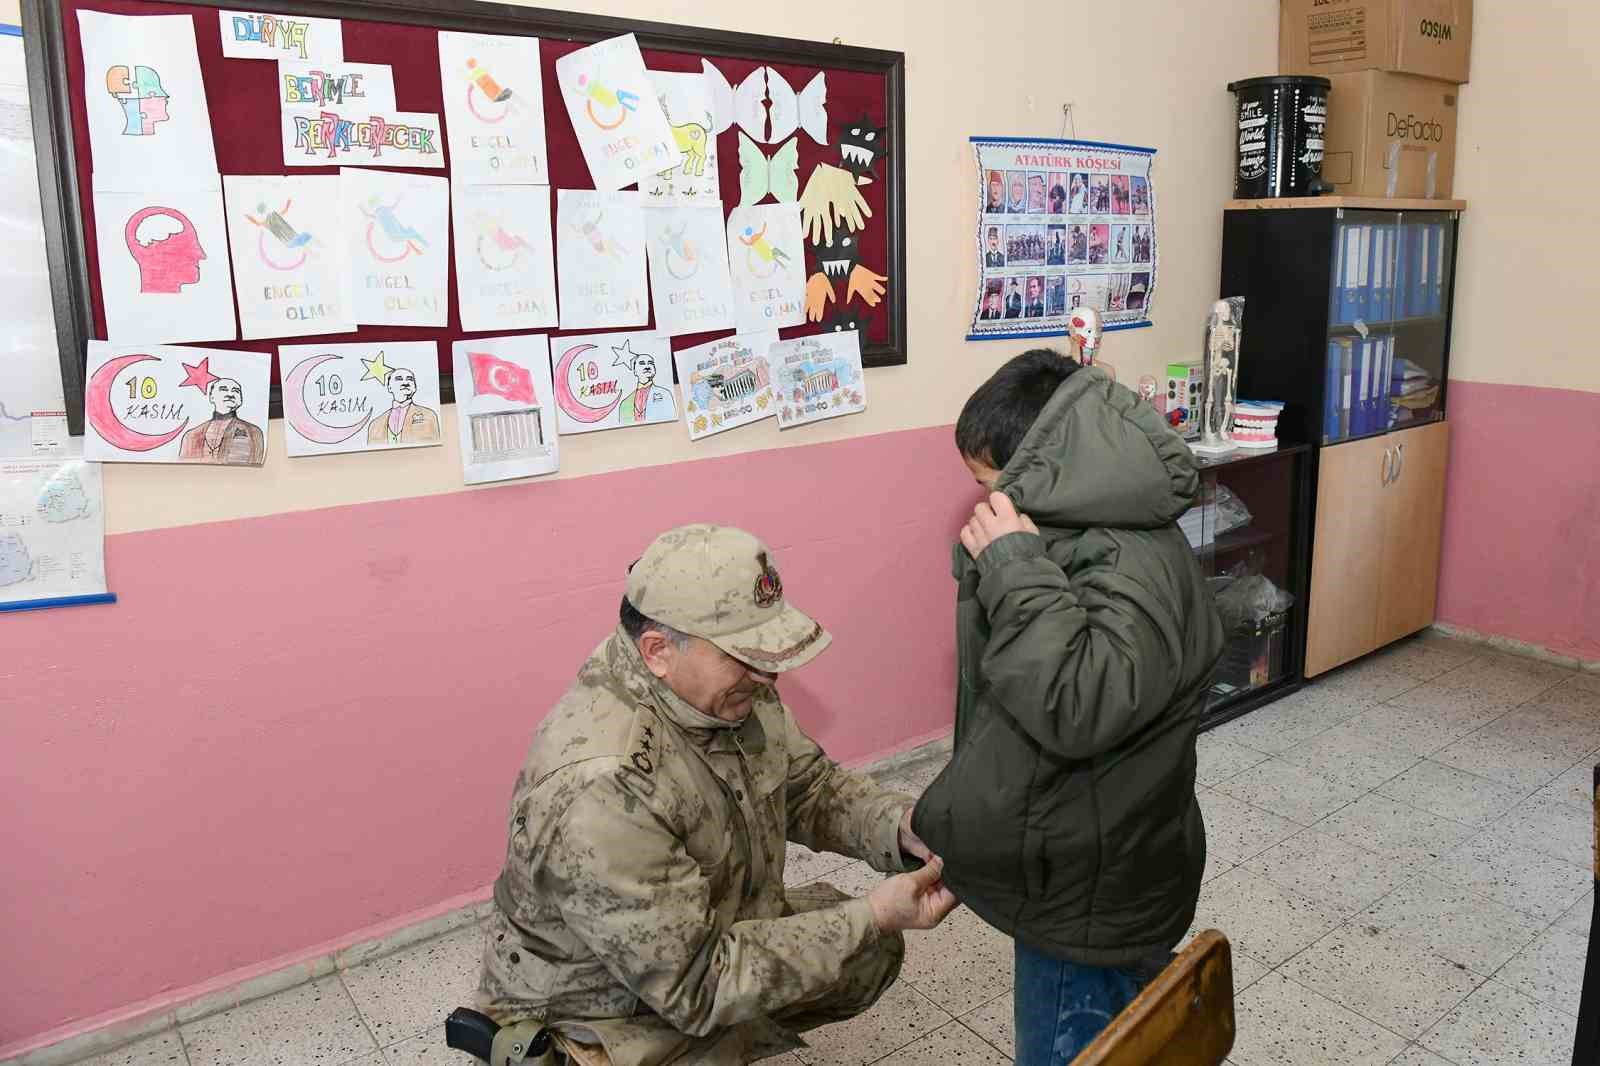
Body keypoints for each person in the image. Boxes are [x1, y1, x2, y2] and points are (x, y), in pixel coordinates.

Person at [479, 525, 959, 1066]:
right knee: (841, 944)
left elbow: (809, 788)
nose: (768, 675)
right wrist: (871, 914)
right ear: (658, 650)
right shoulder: (605, 784)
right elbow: (696, 984)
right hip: (600, 1002)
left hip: (697, 938)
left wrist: (903, 824)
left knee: (866, 956)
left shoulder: (721, 691)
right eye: (745, 656)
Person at [912, 351, 1224, 1065]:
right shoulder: (1104, 520)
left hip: (1089, 882)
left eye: (994, 484)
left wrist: (1014, 568)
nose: (987, 503)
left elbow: (1079, 703)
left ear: (1045, 467)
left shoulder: (1117, 556)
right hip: (1111, 847)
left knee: (1074, 1042)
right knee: (1129, 1032)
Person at [178, 378, 264, 465]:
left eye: (236, 391)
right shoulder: (191, 435)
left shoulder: (253, 432)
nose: (230, 394)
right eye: (223, 389)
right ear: (212, 397)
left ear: (240, 399)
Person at [367, 366, 440, 445]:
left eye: (410, 379)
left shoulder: (429, 416)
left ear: (415, 387)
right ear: (389, 387)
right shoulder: (375, 425)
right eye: (399, 379)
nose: (405, 383)